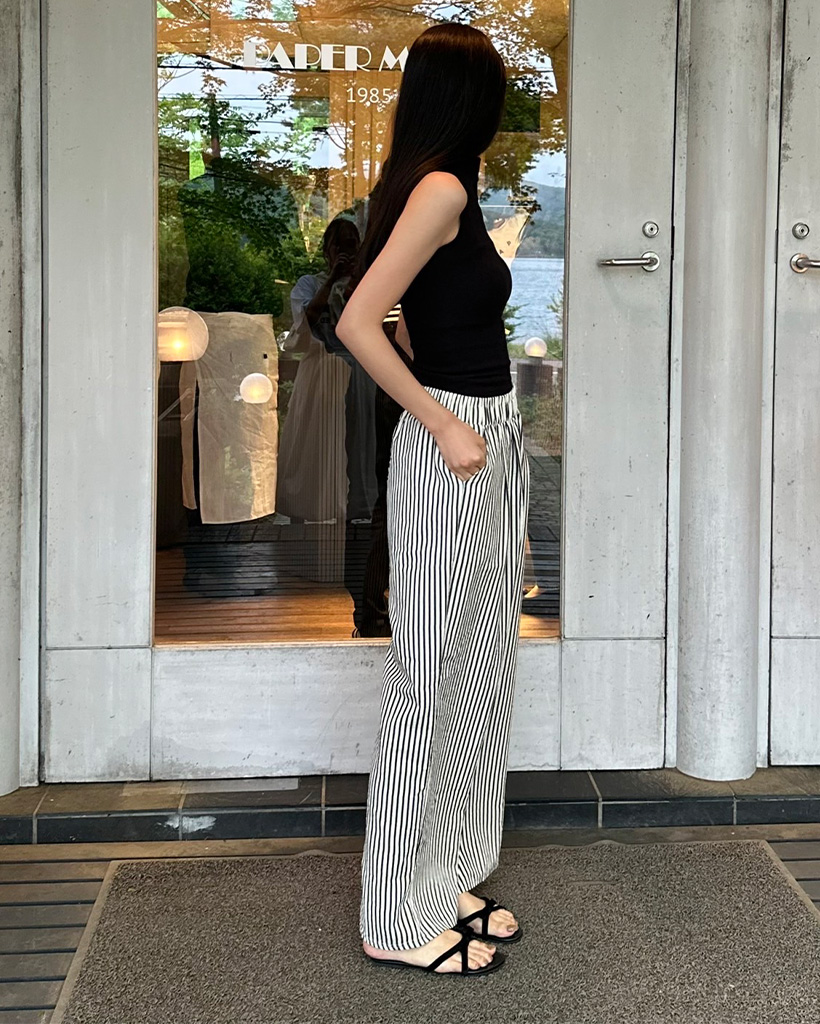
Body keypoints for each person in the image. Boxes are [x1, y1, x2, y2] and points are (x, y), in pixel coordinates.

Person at [335, 22, 529, 977]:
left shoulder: (444, 188)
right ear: (470, 102)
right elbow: (357, 322)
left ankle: (442, 870)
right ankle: (393, 914)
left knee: (480, 664)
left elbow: (411, 314)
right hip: (454, 447)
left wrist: (463, 414)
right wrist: (443, 420)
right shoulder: (441, 188)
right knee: (429, 671)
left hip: (487, 436)